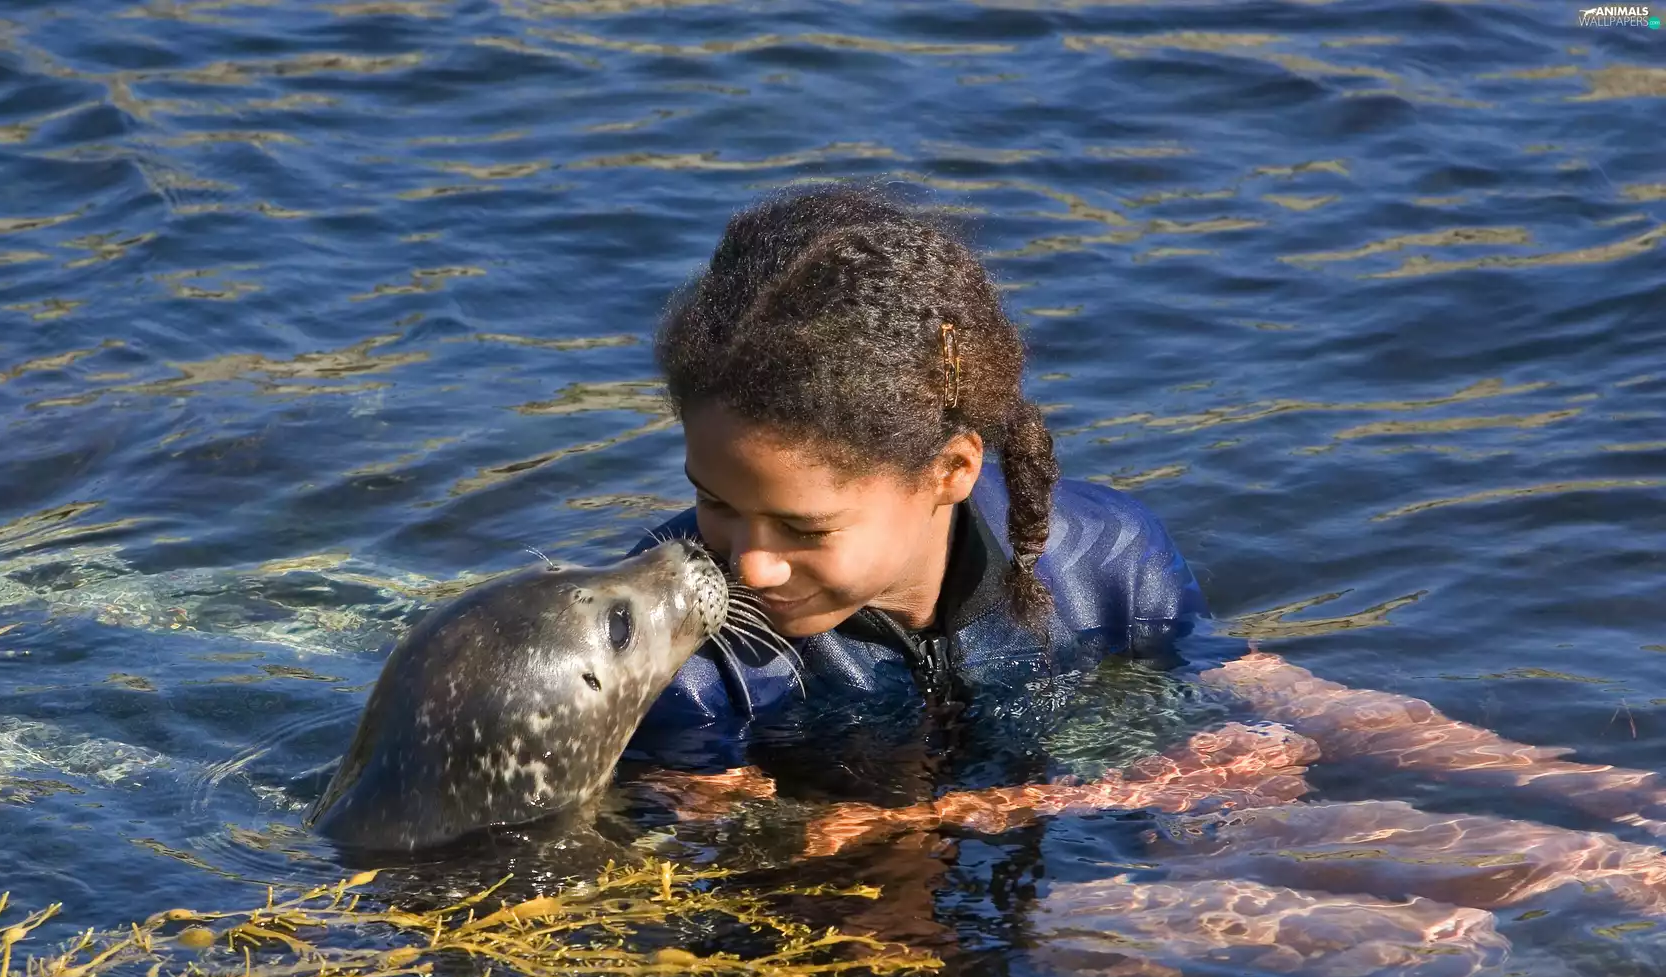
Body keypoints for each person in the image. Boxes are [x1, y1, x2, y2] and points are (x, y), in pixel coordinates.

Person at [626, 183, 1666, 842]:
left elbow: (1252, 680)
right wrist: (1094, 799)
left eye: (803, 529)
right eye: (714, 502)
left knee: (1540, 873)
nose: (746, 565)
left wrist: (1566, 782)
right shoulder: (685, 644)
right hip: (891, 902)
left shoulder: (1100, 555)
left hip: (1059, 827)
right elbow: (775, 837)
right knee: (1361, 953)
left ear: (949, 469)